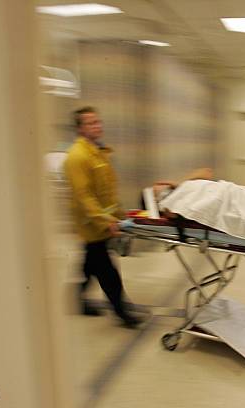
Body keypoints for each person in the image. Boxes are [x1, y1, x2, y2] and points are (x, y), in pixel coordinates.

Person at [64, 106, 139, 327]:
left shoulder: (99, 151)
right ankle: (122, 311)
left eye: (98, 121)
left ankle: (76, 299)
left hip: (101, 220)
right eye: (91, 123)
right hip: (90, 223)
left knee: (90, 264)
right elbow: (84, 196)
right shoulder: (77, 157)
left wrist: (121, 216)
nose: (98, 126)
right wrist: (107, 222)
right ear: (79, 128)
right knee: (106, 269)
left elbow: (106, 191)